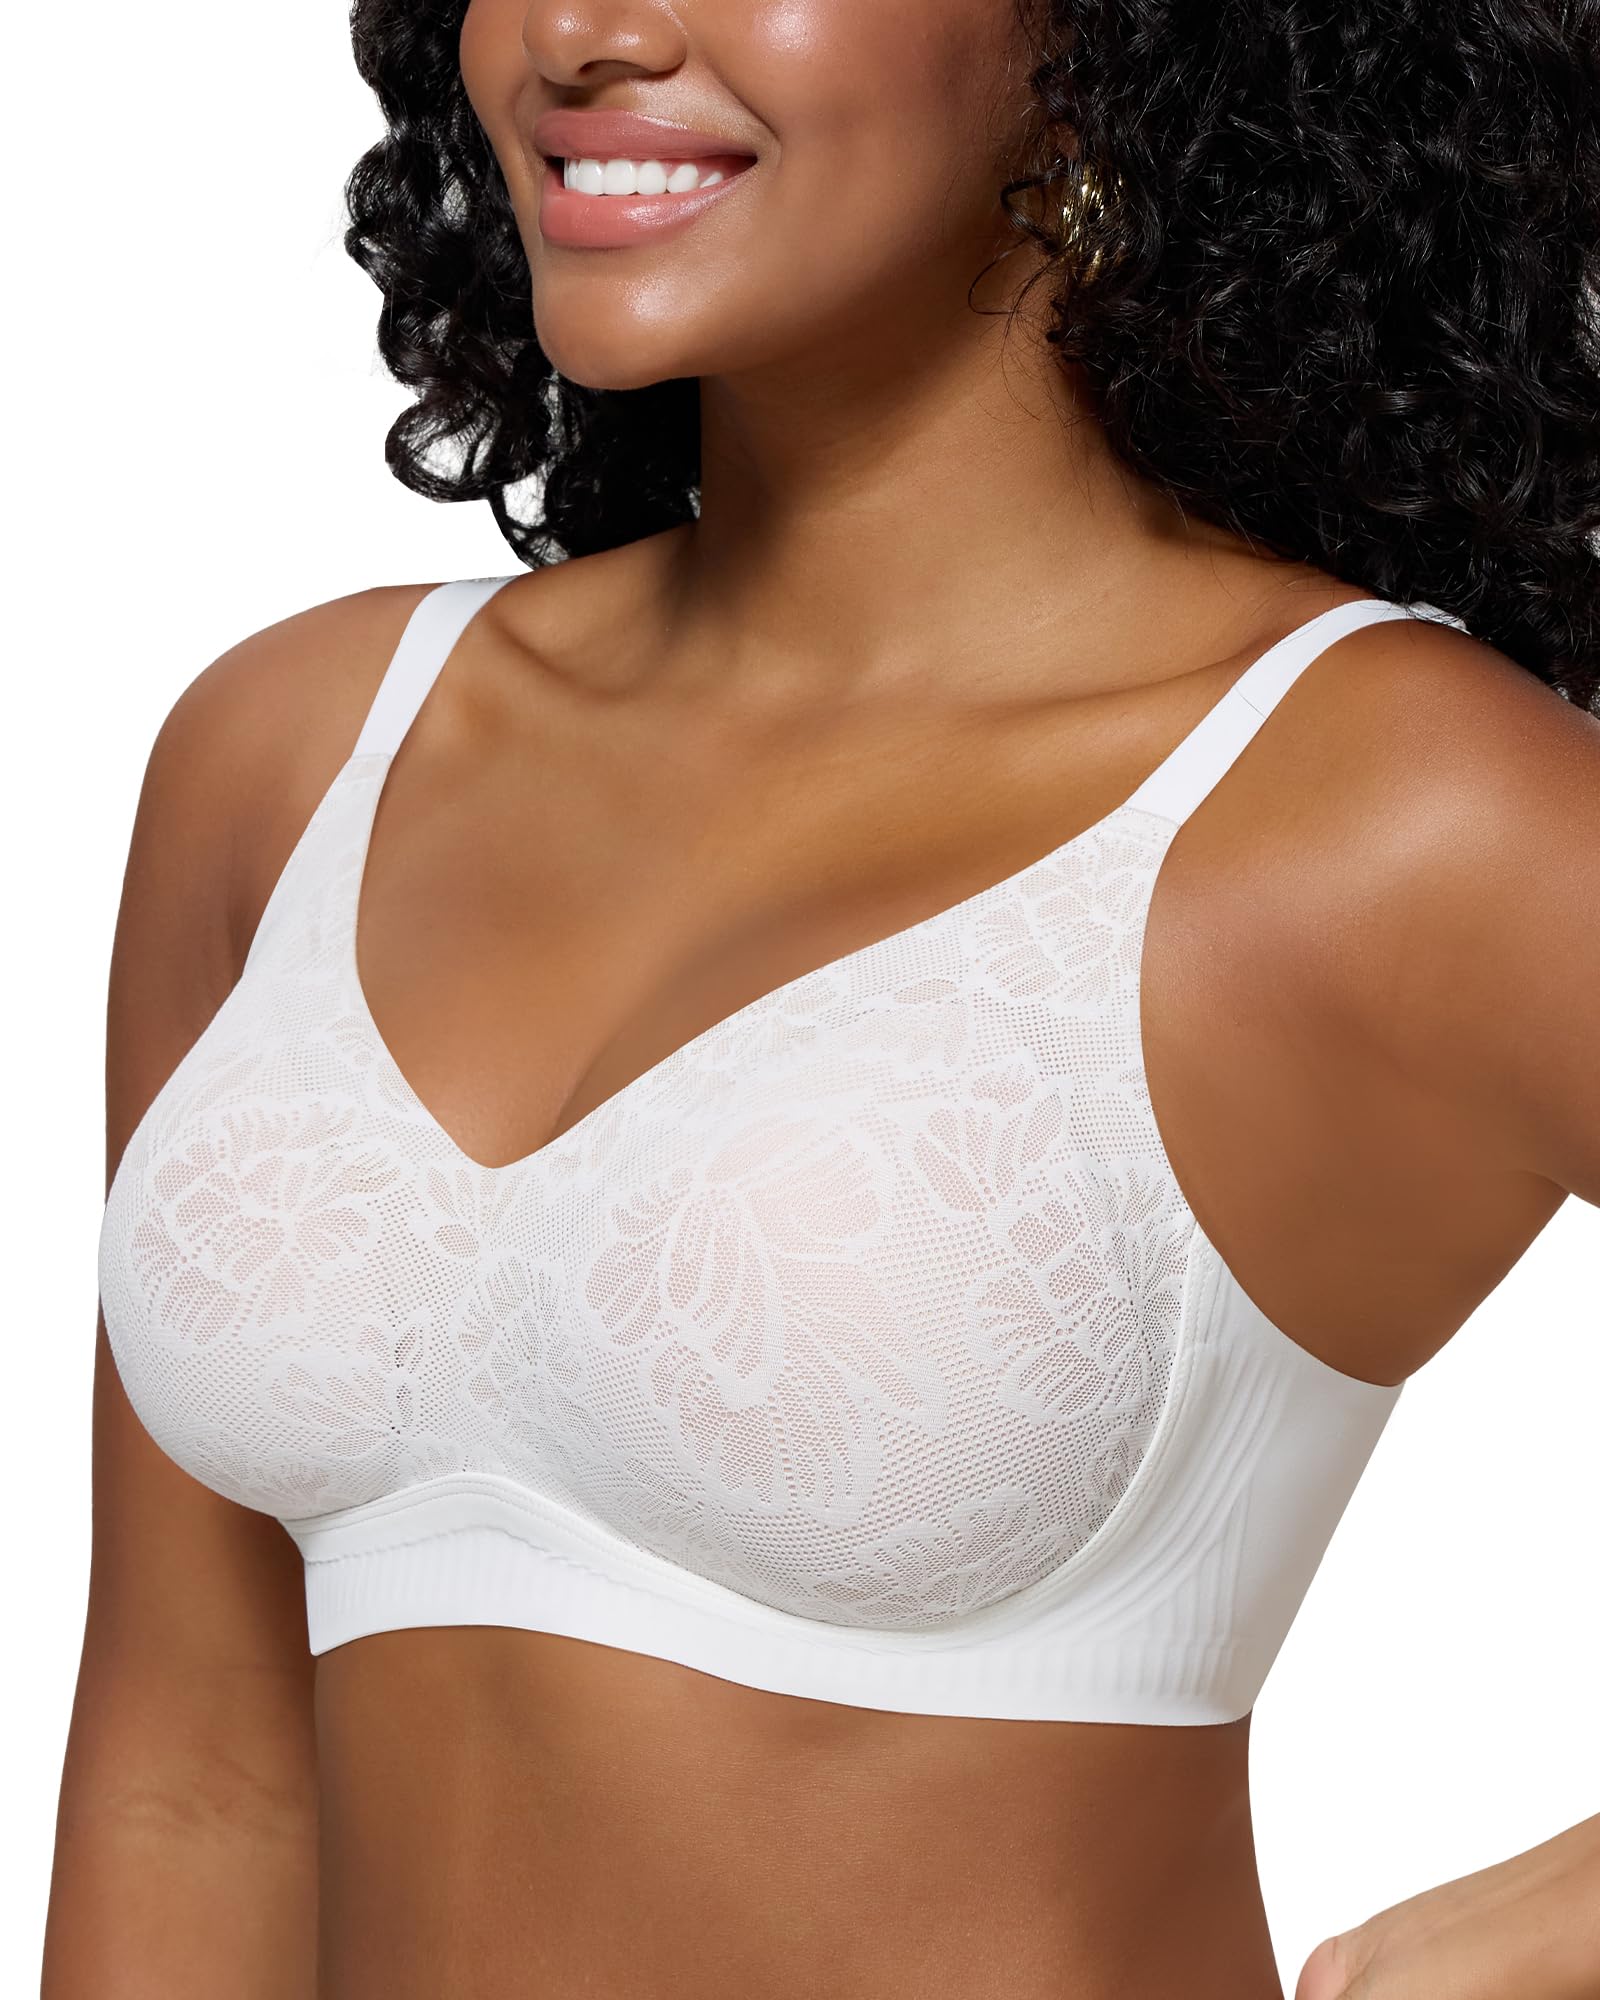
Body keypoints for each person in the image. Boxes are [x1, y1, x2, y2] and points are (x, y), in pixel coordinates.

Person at [42, 2, 1600, 1997]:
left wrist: (1521, 1939)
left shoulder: (1394, 811)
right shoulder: (295, 753)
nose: (583, 32)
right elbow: (194, 1778)